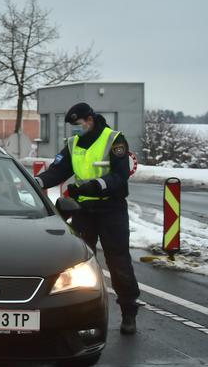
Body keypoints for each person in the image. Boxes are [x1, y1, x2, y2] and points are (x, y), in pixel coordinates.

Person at [34, 102, 140, 334]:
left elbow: (120, 177)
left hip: (111, 210)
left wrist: (96, 186)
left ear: (89, 120)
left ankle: (128, 311)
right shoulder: (73, 144)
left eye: (78, 124)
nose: (75, 130)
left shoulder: (114, 140)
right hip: (83, 210)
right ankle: (81, 312)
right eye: (72, 126)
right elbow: (58, 171)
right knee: (79, 263)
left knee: (118, 261)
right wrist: (36, 183)